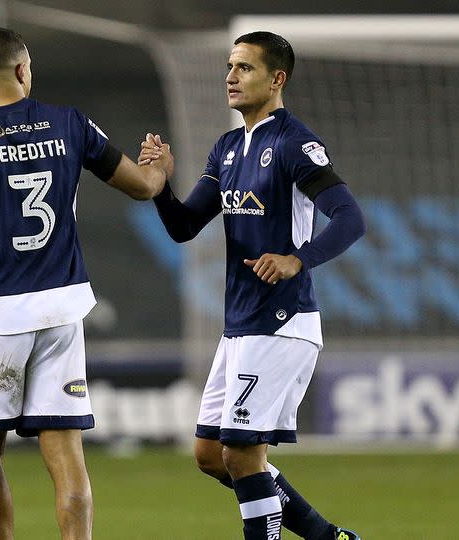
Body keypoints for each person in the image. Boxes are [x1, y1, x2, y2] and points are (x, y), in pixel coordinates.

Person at [0, 27, 172, 540]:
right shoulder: (70, 123)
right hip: (62, 310)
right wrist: (159, 169)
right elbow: (143, 187)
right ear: (23, 69)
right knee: (66, 455)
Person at [139, 31, 365, 540]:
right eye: (229, 67)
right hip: (240, 325)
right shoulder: (227, 147)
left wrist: (297, 260)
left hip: (282, 323)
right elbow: (183, 225)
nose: (230, 77)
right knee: (210, 456)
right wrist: (162, 185)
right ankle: (329, 539)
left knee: (242, 453)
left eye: (244, 68)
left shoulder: (294, 144)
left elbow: (350, 219)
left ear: (276, 79)